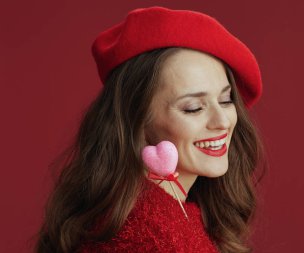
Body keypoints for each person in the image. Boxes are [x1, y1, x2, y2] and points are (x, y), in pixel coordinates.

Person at [34, 6, 267, 253]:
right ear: (138, 121)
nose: (222, 120)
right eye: (193, 108)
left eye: (225, 99)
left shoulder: (148, 212)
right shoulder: (153, 236)